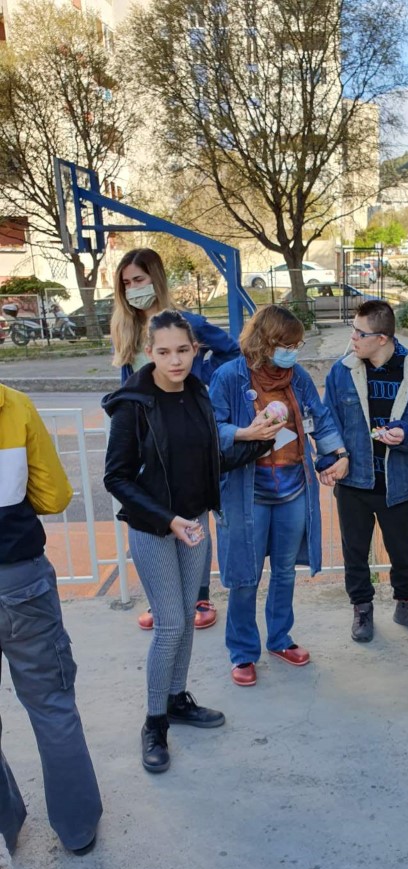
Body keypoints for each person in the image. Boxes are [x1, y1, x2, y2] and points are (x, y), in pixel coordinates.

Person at [103, 310, 272, 772]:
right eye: (164, 352)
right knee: (171, 625)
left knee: (185, 622)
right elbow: (116, 478)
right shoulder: (133, 404)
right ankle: (154, 723)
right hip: (154, 527)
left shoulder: (197, 392)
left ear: (196, 350)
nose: (174, 360)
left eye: (183, 350)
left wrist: (258, 441)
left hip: (194, 522)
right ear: (149, 353)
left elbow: (209, 459)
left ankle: (176, 699)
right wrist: (168, 519)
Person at [209, 305, 347, 686]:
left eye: (297, 345)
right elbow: (211, 428)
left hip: (293, 489)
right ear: (265, 342)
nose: (293, 352)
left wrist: (337, 455)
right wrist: (244, 433)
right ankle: (242, 652)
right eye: (287, 345)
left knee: (285, 571)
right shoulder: (229, 376)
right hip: (247, 492)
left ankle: (280, 638)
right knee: (245, 577)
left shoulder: (296, 377)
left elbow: (320, 418)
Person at [111, 247, 241, 631]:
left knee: (193, 507)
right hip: (147, 432)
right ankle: (163, 598)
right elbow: (128, 385)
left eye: (139, 279)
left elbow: (230, 350)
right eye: (126, 283)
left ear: (155, 278)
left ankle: (199, 595)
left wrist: (200, 378)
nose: (133, 288)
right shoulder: (127, 328)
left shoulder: (187, 323)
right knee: (153, 509)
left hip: (185, 424)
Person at [0, 384, 102, 854]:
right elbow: (55, 495)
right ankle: (77, 829)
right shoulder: (14, 405)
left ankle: (5, 831)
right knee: (51, 704)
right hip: (20, 578)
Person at [323, 300, 408, 642]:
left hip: (397, 485)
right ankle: (362, 609)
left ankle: (407, 606)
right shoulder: (341, 372)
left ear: (382, 338)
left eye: (360, 333)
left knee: (402, 551)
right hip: (353, 483)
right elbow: (327, 421)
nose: (352, 338)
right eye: (353, 330)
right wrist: (333, 457)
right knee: (354, 552)